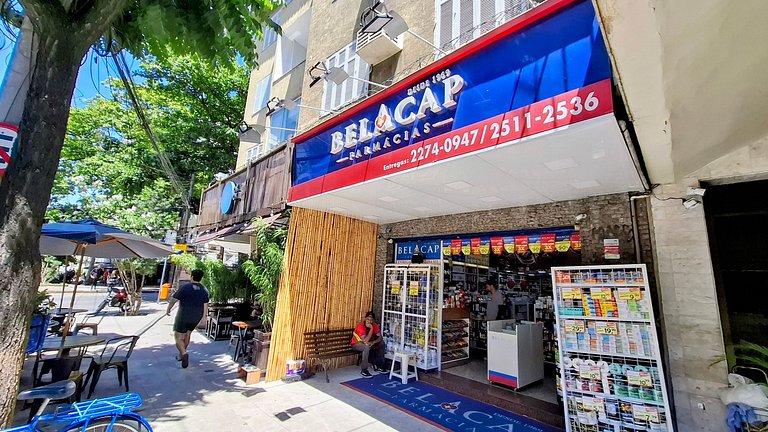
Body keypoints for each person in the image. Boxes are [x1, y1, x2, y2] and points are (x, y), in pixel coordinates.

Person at [166, 269, 209, 368]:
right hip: (197, 316)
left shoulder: (185, 287)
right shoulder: (204, 289)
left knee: (178, 337)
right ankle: (181, 355)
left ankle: (184, 353)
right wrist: (204, 317)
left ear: (192, 276)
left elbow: (174, 299)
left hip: (184, 315)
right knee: (188, 334)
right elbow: (205, 304)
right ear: (201, 278)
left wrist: (168, 309)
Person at [351, 311, 385, 378]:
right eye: (367, 319)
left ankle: (379, 366)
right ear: (365, 319)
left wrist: (373, 342)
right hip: (356, 344)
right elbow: (365, 340)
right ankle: (364, 370)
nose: (369, 321)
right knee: (366, 347)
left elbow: (380, 337)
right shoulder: (361, 326)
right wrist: (371, 329)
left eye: (371, 320)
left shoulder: (374, 325)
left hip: (368, 343)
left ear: (373, 320)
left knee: (382, 343)